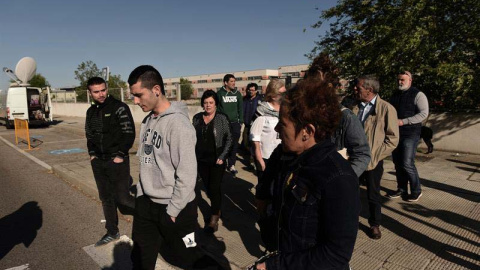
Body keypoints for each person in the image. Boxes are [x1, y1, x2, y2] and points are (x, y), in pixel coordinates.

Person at [254, 77, 360, 270]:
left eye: (283, 123)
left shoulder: (338, 178)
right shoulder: (284, 154)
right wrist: (262, 204)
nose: (277, 129)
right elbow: (267, 187)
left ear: (307, 131)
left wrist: (275, 265)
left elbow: (336, 255)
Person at [128, 65, 199, 269]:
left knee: (189, 257)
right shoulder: (147, 121)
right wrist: (141, 194)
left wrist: (173, 211)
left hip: (178, 210)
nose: (135, 101)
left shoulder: (179, 125)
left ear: (156, 90)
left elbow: (187, 175)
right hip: (146, 206)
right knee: (141, 259)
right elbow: (145, 162)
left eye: (139, 95)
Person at [85, 76, 136, 246]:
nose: (100, 94)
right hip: (98, 162)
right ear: (90, 93)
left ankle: (155, 216)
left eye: (103, 90)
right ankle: (112, 231)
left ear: (107, 89)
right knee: (106, 198)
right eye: (96, 91)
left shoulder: (119, 107)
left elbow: (129, 133)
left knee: (123, 198)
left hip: (117, 161)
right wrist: (92, 155)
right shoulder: (90, 112)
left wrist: (120, 155)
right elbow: (89, 135)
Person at [305, 54, 370, 177]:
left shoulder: (346, 117)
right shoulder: (303, 113)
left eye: (318, 86)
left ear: (330, 88)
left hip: (332, 186)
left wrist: (344, 179)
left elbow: (362, 154)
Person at [354, 75, 399, 239]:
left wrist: (374, 156)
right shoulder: (354, 107)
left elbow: (392, 139)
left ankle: (374, 224)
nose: (355, 89)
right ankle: (350, 220)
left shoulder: (387, 109)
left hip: (373, 161)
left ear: (369, 90)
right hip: (353, 160)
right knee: (351, 192)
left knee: (373, 195)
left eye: (358, 87)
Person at [192, 90, 232, 234]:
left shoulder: (222, 118)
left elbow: (229, 138)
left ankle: (214, 219)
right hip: (201, 160)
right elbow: (192, 137)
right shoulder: (197, 118)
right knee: (208, 189)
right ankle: (217, 208)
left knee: (214, 188)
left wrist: (223, 156)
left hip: (217, 160)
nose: (208, 105)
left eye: (211, 103)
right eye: (205, 103)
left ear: (216, 104)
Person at [388, 71, 429, 202]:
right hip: (396, 133)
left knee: (407, 163)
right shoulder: (395, 95)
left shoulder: (418, 94)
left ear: (410, 80)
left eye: (403, 80)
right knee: (397, 163)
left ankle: (416, 190)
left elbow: (424, 114)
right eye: (398, 80)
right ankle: (402, 189)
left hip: (411, 133)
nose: (400, 82)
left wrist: (404, 121)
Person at [250, 79, 285, 182]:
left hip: (282, 156)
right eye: (283, 93)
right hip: (266, 156)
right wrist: (259, 159)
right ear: (273, 96)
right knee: (264, 188)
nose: (285, 96)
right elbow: (255, 139)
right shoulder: (261, 111)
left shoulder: (286, 110)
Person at [217, 74, 243, 175]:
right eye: (231, 81)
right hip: (223, 124)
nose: (233, 83)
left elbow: (240, 108)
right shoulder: (219, 94)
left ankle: (231, 164)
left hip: (235, 124)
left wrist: (240, 121)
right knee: (223, 144)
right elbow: (217, 108)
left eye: (234, 81)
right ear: (226, 83)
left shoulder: (237, 94)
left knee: (234, 144)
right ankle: (222, 162)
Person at [242, 82, 262, 165]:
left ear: (256, 91)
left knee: (253, 142)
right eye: (249, 90)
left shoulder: (260, 100)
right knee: (246, 141)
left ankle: (252, 160)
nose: (251, 92)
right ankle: (251, 155)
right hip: (246, 124)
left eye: (253, 90)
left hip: (255, 125)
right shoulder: (245, 99)